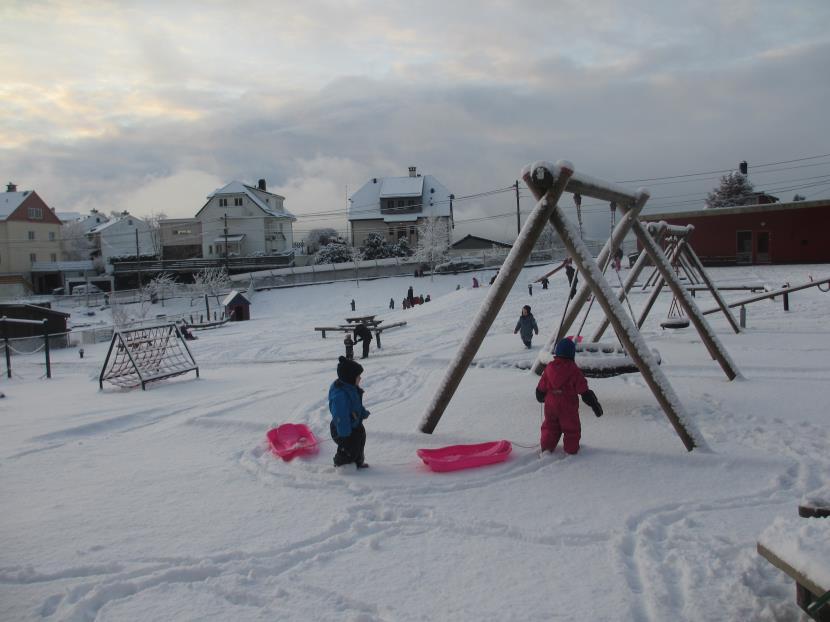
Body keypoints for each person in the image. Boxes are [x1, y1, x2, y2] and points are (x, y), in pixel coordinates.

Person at [535, 338, 603, 455]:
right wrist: (594, 404)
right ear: (572, 354)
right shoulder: (574, 370)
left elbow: (542, 384)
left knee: (550, 426)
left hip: (551, 403)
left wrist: (540, 394)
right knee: (571, 428)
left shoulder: (549, 367)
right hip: (568, 405)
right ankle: (571, 450)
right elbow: (584, 390)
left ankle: (546, 448)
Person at [328, 356, 370, 469]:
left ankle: (358, 462)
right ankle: (340, 464)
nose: (360, 378)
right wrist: (345, 432)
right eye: (358, 376)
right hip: (342, 429)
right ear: (350, 378)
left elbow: (356, 406)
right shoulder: (340, 395)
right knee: (349, 448)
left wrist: (363, 413)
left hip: (354, 424)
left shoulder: (351, 388)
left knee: (360, 440)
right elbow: (340, 415)